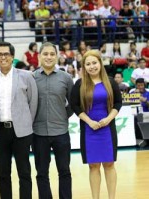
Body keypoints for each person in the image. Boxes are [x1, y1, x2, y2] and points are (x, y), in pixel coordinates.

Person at [0, 42, 38, 199]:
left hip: (21, 131)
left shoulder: (26, 76)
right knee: (3, 174)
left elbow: (33, 103)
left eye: (6, 54)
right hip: (0, 132)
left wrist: (27, 123)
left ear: (12, 57)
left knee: (24, 173)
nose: (3, 57)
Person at [70, 50, 122, 199]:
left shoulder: (110, 82)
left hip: (107, 129)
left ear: (100, 63)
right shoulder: (79, 84)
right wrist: (89, 122)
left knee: (109, 164)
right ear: (84, 67)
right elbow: (75, 106)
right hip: (89, 129)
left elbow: (118, 102)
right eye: (88, 64)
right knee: (93, 166)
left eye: (94, 62)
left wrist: (108, 119)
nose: (92, 66)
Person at [33, 42, 73, 199]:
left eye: (52, 54)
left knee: (64, 171)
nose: (48, 57)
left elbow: (73, 103)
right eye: (45, 54)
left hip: (61, 132)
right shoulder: (32, 78)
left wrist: (63, 116)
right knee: (42, 173)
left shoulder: (66, 78)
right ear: (39, 56)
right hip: (38, 133)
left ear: (57, 57)